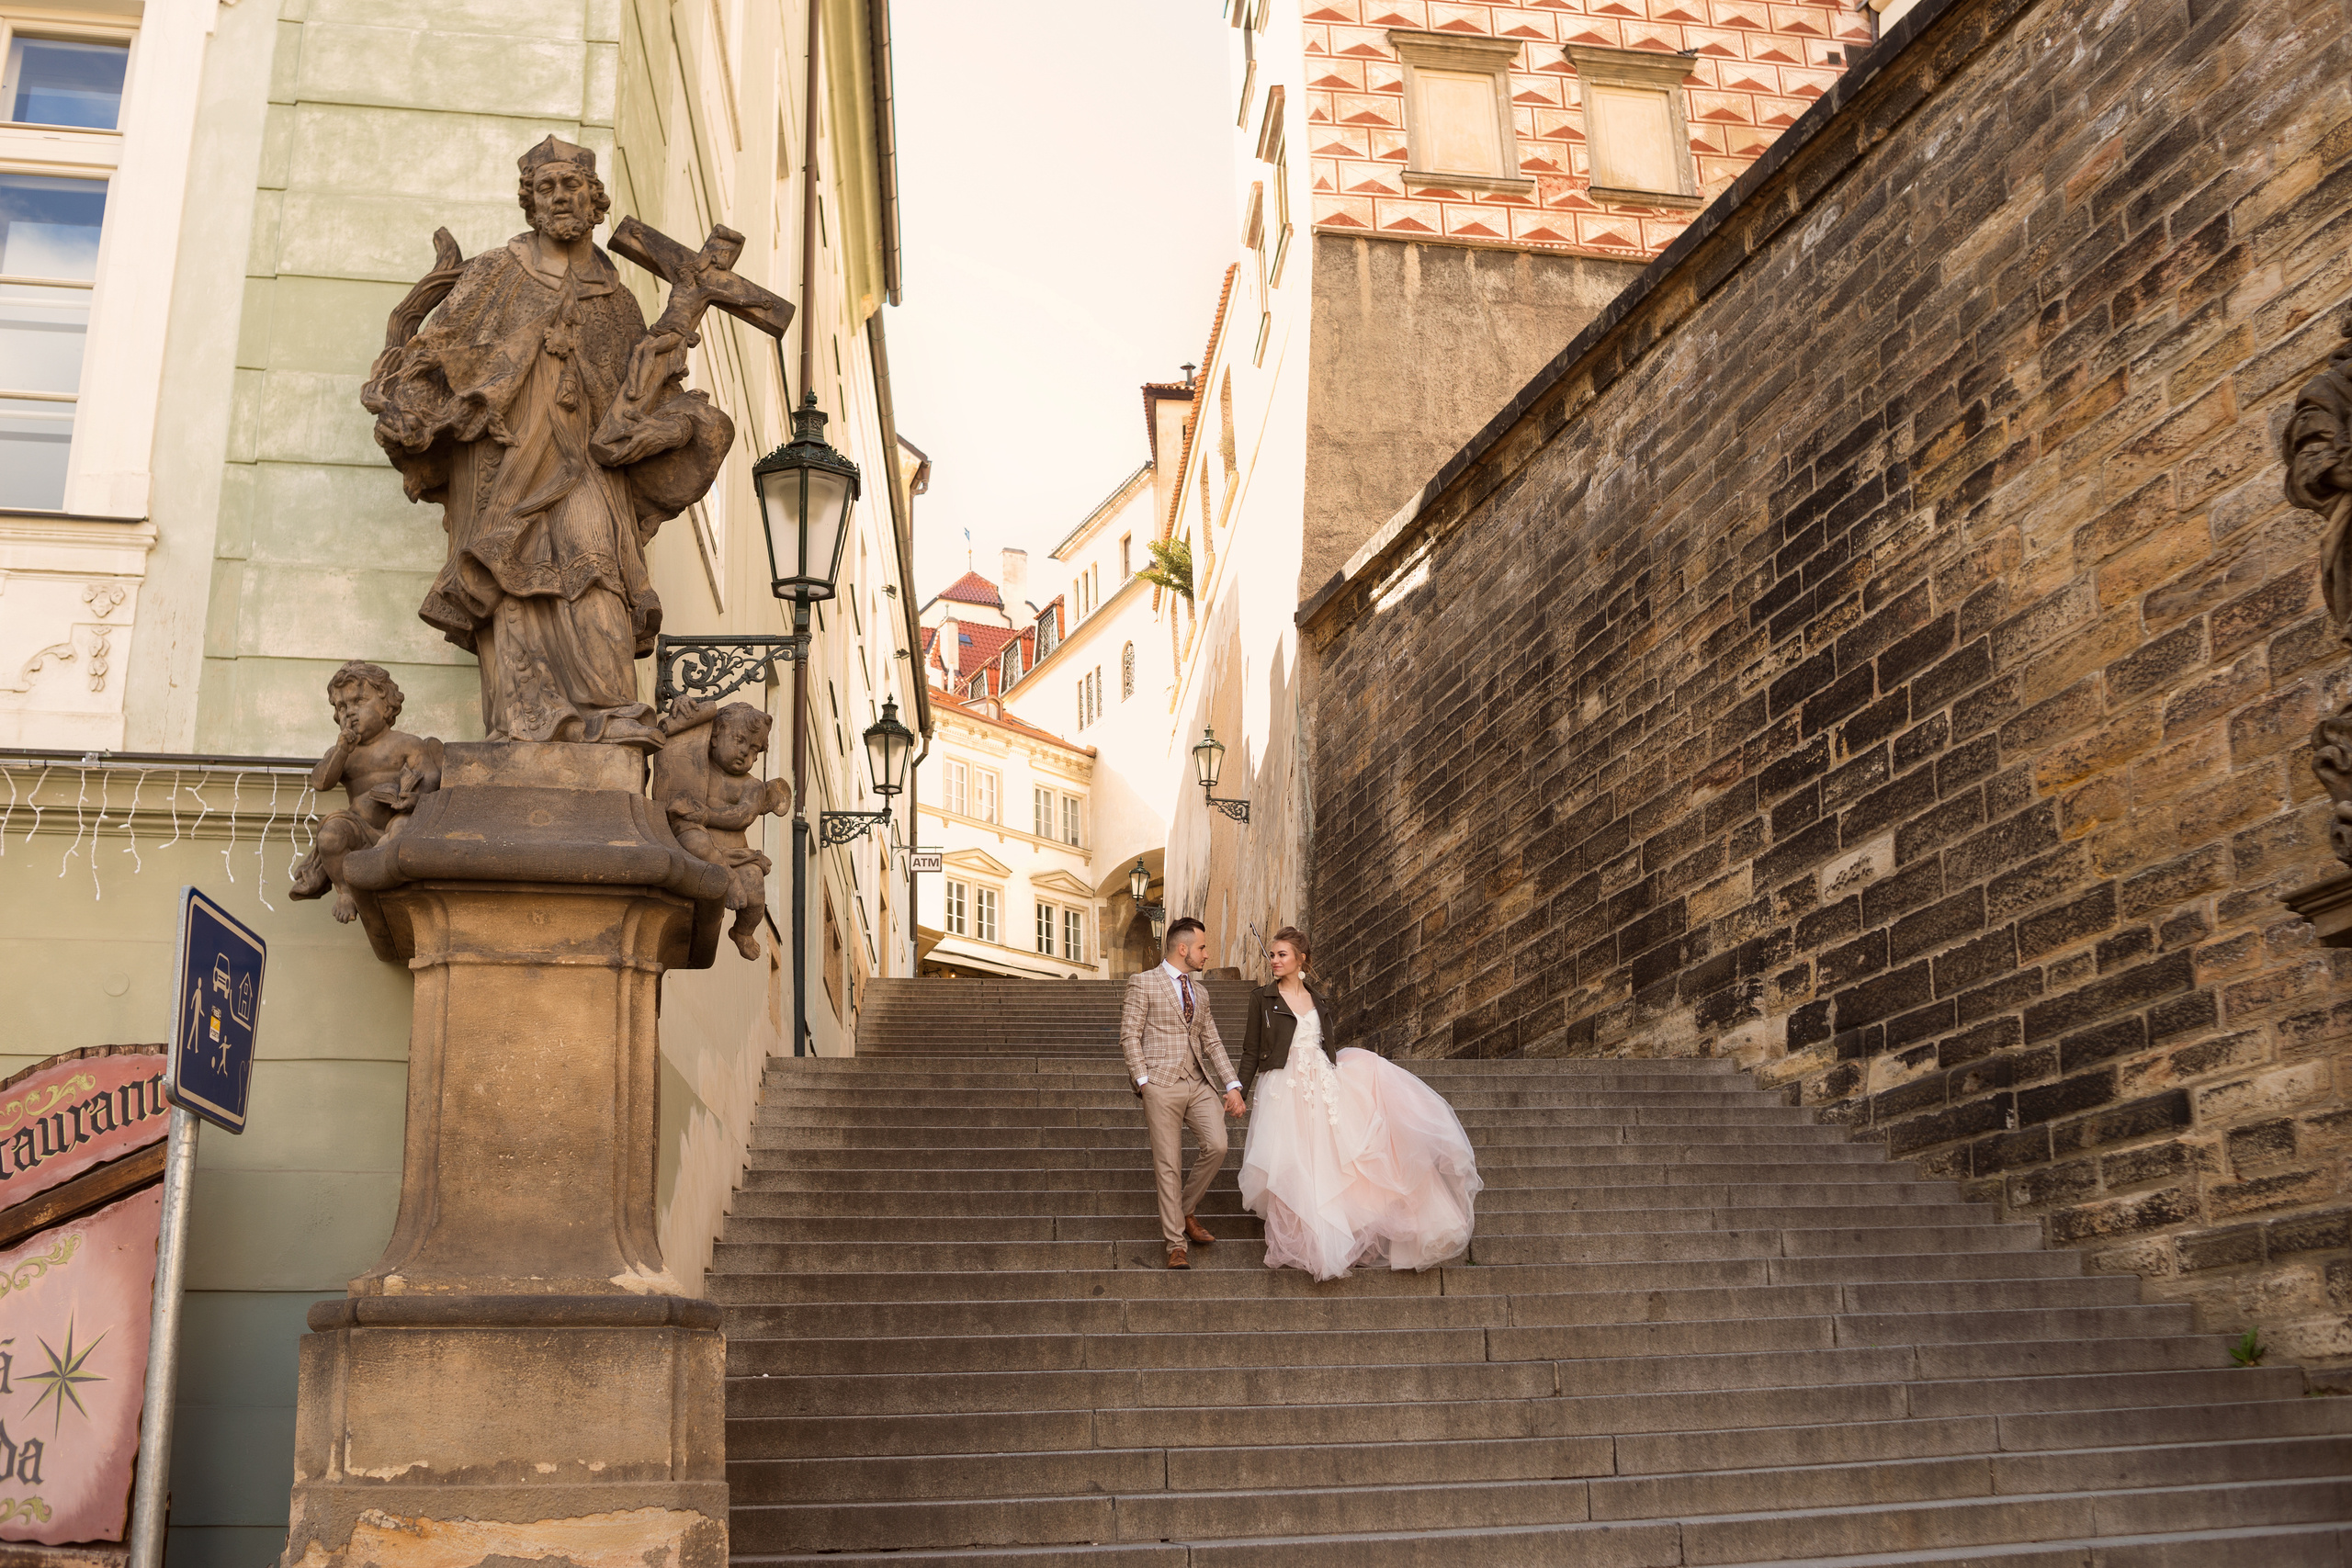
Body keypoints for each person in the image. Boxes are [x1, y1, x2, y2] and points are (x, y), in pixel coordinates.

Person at [1237, 927, 1482, 1280]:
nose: (1274, 960)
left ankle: (1332, 1238)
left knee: (1326, 1160)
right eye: (1272, 955)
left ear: (1301, 959)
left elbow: (1326, 1046)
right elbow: (1249, 1049)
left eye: (1282, 954)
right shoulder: (1262, 999)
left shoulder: (1319, 1000)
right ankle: (1308, 1239)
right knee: (1293, 1158)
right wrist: (1238, 1090)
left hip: (1320, 1084)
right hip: (1283, 1087)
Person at [1119, 917, 1246, 1269]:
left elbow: (1212, 1041)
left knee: (1218, 1145)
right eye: (1202, 948)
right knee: (1168, 1164)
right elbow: (1130, 1035)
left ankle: (1186, 1208)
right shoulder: (1143, 983)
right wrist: (1144, 1081)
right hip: (1160, 1082)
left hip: (1197, 1081)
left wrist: (1232, 1085)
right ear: (1183, 949)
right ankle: (1176, 1244)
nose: (1207, 954)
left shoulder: (1200, 992)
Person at [290, 661, 442, 923]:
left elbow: (431, 776)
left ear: (387, 705)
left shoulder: (406, 743)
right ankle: (346, 890)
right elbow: (320, 781)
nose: (350, 712)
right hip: (360, 831)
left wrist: (414, 798)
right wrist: (341, 751)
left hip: (397, 824)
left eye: (359, 701)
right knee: (330, 834)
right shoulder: (345, 753)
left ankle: (382, 867)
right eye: (342, 706)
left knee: (403, 829)